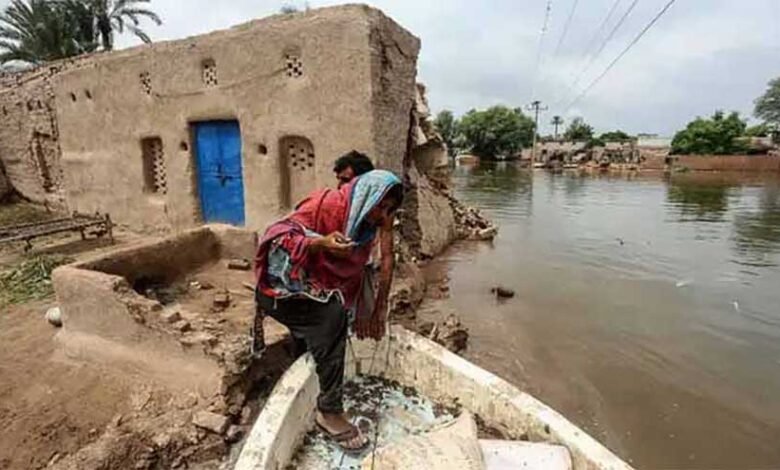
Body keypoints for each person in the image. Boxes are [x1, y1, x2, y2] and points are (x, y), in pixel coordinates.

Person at [254, 169, 403, 452]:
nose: (383, 215)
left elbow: (384, 259)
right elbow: (276, 238)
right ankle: (329, 412)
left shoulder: (365, 226)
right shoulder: (327, 206)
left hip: (310, 291)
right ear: (366, 196)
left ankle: (303, 353)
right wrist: (319, 243)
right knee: (332, 316)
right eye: (381, 206)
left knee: (330, 313)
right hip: (279, 291)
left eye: (390, 210)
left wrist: (378, 308)